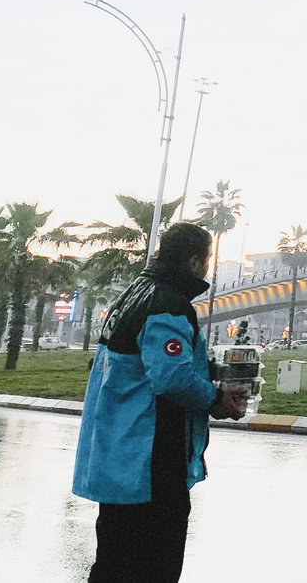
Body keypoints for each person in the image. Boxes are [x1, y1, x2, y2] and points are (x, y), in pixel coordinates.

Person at [73, 222, 245, 583]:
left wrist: (211, 369)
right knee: (155, 565)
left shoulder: (135, 293)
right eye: (207, 261)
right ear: (196, 261)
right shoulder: (168, 304)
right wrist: (216, 399)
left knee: (114, 561)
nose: (207, 269)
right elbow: (171, 378)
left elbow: (147, 363)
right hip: (151, 460)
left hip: (120, 455)